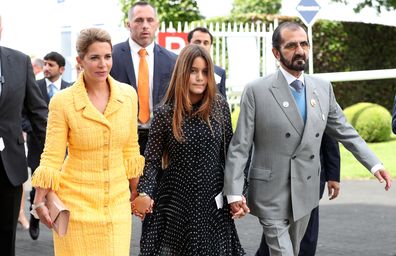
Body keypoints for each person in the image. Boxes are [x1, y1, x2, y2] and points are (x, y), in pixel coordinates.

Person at [223, 21, 392, 256]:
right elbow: (240, 146)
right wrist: (233, 191)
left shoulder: (322, 88)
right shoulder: (256, 90)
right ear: (276, 52)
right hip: (270, 192)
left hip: (306, 191)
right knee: (283, 252)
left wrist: (374, 164)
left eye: (304, 44)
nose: (300, 50)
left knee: (293, 249)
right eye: (291, 45)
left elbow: (346, 131)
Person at [31, 28, 144, 255]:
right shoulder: (63, 101)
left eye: (107, 56)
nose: (103, 64)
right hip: (75, 206)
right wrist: (39, 201)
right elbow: (52, 156)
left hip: (116, 205)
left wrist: (136, 192)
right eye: (94, 57)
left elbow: (131, 149)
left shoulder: (129, 95)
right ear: (80, 60)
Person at [132, 44, 245, 255]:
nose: (200, 77)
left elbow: (231, 154)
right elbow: (152, 160)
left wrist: (237, 193)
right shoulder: (165, 113)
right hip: (176, 201)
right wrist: (145, 191)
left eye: (204, 72)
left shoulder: (219, 106)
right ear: (182, 73)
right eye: (193, 71)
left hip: (213, 200)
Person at [0, 14, 48, 256]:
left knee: (6, 239)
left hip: (8, 167)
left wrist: (52, 160)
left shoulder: (19, 61)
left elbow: (38, 112)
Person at [110, 1, 177, 156]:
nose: (145, 25)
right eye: (139, 20)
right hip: (121, 141)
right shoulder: (111, 57)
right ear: (128, 24)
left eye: (150, 20)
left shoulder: (172, 61)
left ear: (157, 24)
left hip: (161, 140)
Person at [257, 133, 340, 256]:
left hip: (310, 177)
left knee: (306, 233)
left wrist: (333, 175)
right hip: (279, 176)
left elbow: (330, 133)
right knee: (276, 225)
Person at [23, 51, 72, 240]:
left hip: (65, 150)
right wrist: (35, 131)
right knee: (39, 184)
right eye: (44, 64)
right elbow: (23, 115)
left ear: (61, 69)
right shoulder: (34, 86)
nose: (46, 68)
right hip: (38, 146)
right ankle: (35, 216)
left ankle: (59, 220)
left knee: (62, 186)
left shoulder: (71, 88)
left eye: (51, 65)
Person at [188, 27, 227, 97]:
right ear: (188, 43)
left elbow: (223, 101)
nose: (201, 46)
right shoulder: (176, 68)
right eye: (197, 42)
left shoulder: (220, 72)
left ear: (210, 46)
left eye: (206, 43)